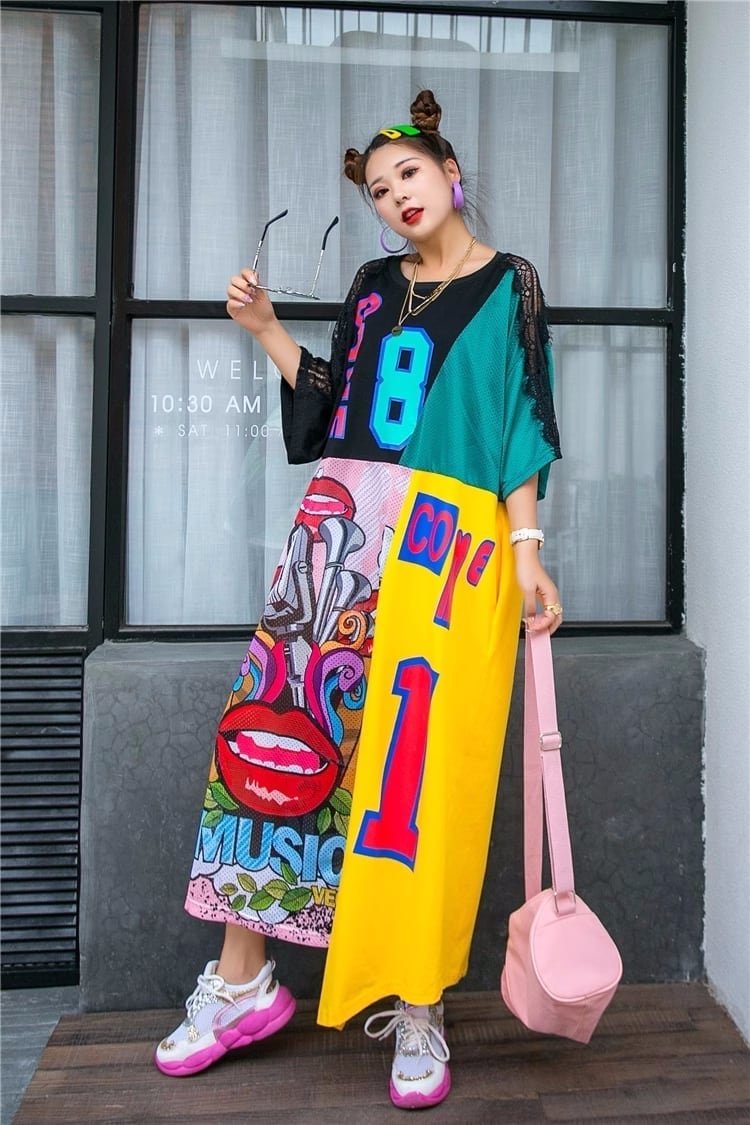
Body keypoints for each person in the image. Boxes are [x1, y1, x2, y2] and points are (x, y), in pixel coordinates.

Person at [155, 90, 562, 1110]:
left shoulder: (509, 285)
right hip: (340, 528)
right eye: (379, 191)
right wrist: (264, 330)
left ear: (451, 173)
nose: (395, 198)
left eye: (408, 175)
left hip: (448, 545)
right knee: (275, 727)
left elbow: (519, 421)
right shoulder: (375, 287)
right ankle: (242, 982)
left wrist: (527, 551)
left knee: (416, 771)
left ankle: (417, 1000)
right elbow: (336, 404)